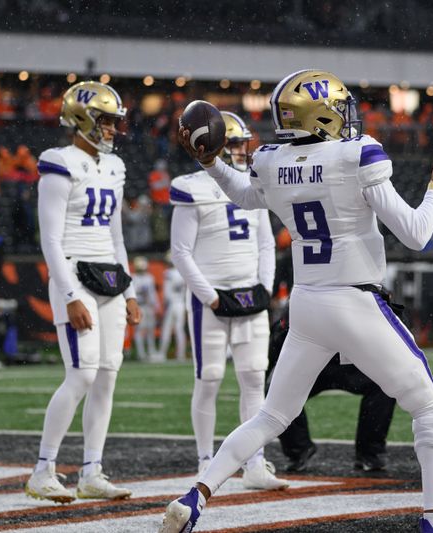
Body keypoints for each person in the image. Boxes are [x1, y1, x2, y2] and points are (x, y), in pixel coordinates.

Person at [162, 69, 433, 533]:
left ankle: (196, 495)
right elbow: (416, 233)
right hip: (353, 299)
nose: (347, 117)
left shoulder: (270, 159)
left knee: (271, 415)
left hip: (306, 302)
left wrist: (211, 164)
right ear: (321, 115)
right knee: (430, 408)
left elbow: (245, 197)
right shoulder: (356, 155)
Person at [26, 81, 140, 504]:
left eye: (114, 122)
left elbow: (116, 235)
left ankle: (92, 470)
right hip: (74, 274)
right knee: (82, 374)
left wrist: (127, 289)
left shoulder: (115, 167)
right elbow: (50, 240)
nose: (111, 129)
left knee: (107, 376)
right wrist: (69, 293)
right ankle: (43, 470)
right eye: (105, 120)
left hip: (109, 275)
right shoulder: (59, 162)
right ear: (81, 119)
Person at [169, 110, 286, 490]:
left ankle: (255, 462)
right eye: (234, 144)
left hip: (250, 295)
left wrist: (265, 288)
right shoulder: (191, 186)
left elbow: (266, 243)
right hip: (213, 299)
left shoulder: (252, 184)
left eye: (239, 144)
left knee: (254, 378)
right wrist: (210, 297)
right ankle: (206, 461)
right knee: (210, 379)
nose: (240, 151)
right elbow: (181, 252)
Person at [268, 306, 396, 473]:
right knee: (275, 390)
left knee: (386, 383)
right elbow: (279, 337)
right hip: (312, 365)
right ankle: (298, 449)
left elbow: (394, 326)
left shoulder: (363, 291)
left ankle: (370, 452)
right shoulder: (303, 295)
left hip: (352, 363)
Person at [158, 255, 187, 361]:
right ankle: (181, 354)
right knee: (179, 330)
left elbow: (167, 292)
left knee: (166, 329)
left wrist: (165, 304)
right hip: (181, 303)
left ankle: (162, 353)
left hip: (172, 304)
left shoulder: (168, 273)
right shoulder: (183, 272)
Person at [131, 255, 159, 361]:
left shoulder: (149, 277)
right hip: (140, 306)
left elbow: (152, 293)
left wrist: (156, 306)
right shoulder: (133, 277)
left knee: (150, 330)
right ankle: (141, 354)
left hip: (148, 306)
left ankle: (151, 351)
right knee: (140, 330)